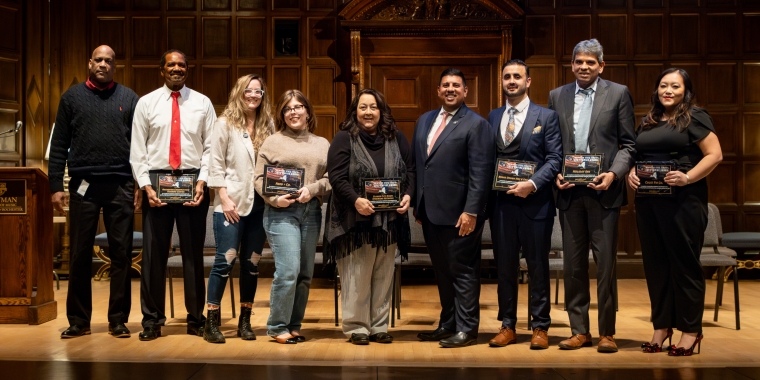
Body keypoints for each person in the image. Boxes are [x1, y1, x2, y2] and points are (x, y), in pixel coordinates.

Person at [547, 39, 636, 353]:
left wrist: (614, 174)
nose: (584, 67)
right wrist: (556, 171)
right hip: (570, 194)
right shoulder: (557, 96)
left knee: (605, 265)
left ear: (601, 65)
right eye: (579, 62)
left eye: (590, 62)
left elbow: (629, 144)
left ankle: (607, 333)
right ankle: (579, 330)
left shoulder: (618, 93)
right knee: (572, 266)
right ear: (571, 65)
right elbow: (553, 145)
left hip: (604, 194)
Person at [627, 68, 722, 356]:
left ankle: (691, 332)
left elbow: (715, 154)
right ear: (656, 90)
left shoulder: (695, 116)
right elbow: (639, 155)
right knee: (656, 266)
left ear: (685, 91)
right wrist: (632, 171)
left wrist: (688, 177)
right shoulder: (649, 120)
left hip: (684, 200)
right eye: (663, 86)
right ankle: (662, 327)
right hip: (649, 201)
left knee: (684, 266)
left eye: (675, 86)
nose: (668, 91)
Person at [49, 45, 139, 339]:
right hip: (82, 186)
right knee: (78, 255)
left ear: (115, 66)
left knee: (121, 254)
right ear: (90, 63)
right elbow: (60, 145)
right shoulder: (71, 98)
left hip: (120, 185)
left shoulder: (129, 98)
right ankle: (78, 320)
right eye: (98, 60)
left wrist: (140, 183)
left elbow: (140, 147)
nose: (103, 64)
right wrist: (54, 187)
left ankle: (118, 320)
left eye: (109, 61)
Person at [130, 49, 216, 341]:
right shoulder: (146, 103)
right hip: (157, 188)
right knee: (154, 257)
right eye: (171, 64)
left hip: (193, 186)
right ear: (162, 69)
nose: (176, 68)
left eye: (181, 64)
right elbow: (137, 151)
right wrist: (146, 186)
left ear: (187, 69)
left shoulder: (202, 103)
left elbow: (210, 149)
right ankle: (152, 321)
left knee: (193, 256)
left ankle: (195, 319)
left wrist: (203, 182)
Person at [325, 88, 415, 345]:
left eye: (373, 107)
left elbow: (411, 170)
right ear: (355, 111)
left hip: (390, 220)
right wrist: (356, 201)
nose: (368, 112)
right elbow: (337, 178)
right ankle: (356, 327)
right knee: (357, 275)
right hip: (356, 221)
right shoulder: (344, 138)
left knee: (383, 273)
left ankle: (378, 326)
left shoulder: (396, 138)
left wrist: (408, 194)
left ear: (381, 111)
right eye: (363, 107)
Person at [411, 68, 494, 348]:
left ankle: (467, 328)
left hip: (461, 215)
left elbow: (481, 172)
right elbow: (418, 165)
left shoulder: (476, 124)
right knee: (443, 272)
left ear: (465, 91)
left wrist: (471, 211)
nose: (450, 89)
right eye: (445, 85)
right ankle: (448, 324)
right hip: (431, 214)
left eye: (456, 85)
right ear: (438, 90)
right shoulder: (424, 121)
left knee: (463, 272)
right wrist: (418, 204)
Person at [487, 60, 562, 349]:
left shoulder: (547, 116)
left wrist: (531, 184)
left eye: (517, 76)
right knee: (505, 267)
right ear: (502, 82)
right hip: (502, 205)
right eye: (507, 77)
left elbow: (555, 158)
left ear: (528, 81)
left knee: (537, 265)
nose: (512, 81)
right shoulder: (493, 117)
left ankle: (540, 326)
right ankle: (507, 325)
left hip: (536, 203)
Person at [254, 90, 331, 344]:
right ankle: (277, 326)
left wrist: (314, 189)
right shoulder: (272, 142)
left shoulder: (322, 143)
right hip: (280, 212)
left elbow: (331, 179)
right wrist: (275, 199)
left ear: (308, 111)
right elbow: (258, 179)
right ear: (282, 114)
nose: (293, 112)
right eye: (287, 108)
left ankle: (294, 324)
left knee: (305, 273)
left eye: (298, 107)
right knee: (288, 271)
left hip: (311, 212)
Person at [202, 74, 274, 343]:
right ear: (239, 92)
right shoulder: (225, 123)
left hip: (259, 205)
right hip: (230, 204)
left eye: (259, 91)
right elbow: (214, 163)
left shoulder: (269, 124)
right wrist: (223, 195)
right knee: (225, 260)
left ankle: (245, 322)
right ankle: (211, 322)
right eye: (249, 91)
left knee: (251, 264)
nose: (254, 95)